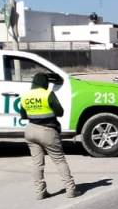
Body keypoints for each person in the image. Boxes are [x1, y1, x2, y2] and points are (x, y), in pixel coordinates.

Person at [19, 72, 79, 200]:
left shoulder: (25, 96)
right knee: (59, 160)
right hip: (47, 131)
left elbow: (23, 116)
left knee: (37, 164)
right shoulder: (48, 94)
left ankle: (40, 192)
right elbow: (60, 112)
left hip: (30, 131)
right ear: (44, 83)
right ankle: (70, 189)